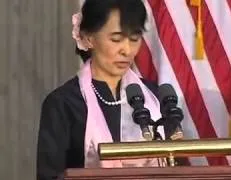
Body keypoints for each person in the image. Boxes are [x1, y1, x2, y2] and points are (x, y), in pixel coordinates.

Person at [36, 0, 165, 179]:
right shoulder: (63, 103)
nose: (127, 50)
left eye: (134, 39)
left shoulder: (155, 97)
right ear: (89, 38)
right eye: (116, 39)